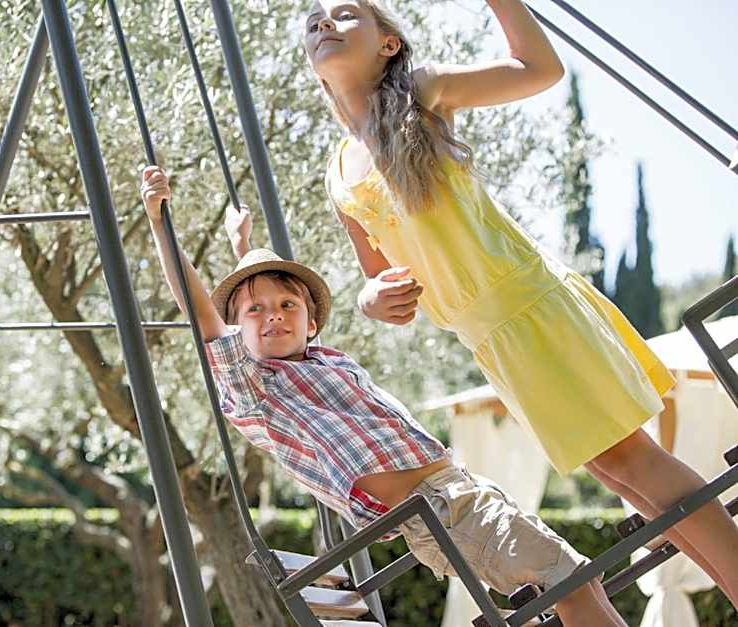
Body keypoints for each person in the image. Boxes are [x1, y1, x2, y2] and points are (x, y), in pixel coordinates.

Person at [297, 0, 738, 605]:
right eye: (315, 21)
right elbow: (375, 277)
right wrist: (375, 299)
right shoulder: (339, 172)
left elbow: (538, 69)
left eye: (346, 13)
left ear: (388, 45)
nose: (325, 23)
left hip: (531, 306)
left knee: (634, 462)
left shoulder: (420, 93)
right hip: (490, 341)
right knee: (621, 474)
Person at [140, 165, 626, 625]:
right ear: (235, 330)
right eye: (255, 311)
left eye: (288, 305)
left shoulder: (322, 361)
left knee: (581, 582)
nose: (274, 315)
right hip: (440, 512)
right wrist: (161, 223)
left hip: (458, 496)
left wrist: (243, 247)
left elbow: (261, 303)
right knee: (572, 580)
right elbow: (203, 314)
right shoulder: (257, 388)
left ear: (312, 323)